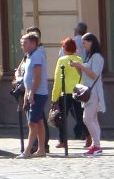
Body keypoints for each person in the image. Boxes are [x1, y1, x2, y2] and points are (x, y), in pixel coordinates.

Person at [18, 31, 49, 159]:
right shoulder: (29, 56)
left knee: (32, 122)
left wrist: (31, 93)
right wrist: (27, 93)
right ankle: (41, 149)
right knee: (39, 122)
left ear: (33, 43)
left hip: (38, 93)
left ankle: (27, 151)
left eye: (24, 43)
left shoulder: (36, 56)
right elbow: (28, 77)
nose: (22, 45)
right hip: (33, 92)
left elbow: (37, 76)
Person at [51, 38, 83, 150]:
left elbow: (58, 80)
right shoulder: (79, 59)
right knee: (80, 115)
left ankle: (63, 141)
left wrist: (54, 97)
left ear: (64, 48)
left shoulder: (62, 60)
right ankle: (88, 137)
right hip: (78, 91)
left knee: (61, 118)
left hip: (65, 93)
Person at [78, 32, 106, 155]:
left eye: (84, 43)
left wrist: (81, 66)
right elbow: (85, 75)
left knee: (87, 119)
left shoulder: (97, 57)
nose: (83, 46)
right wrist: (78, 67)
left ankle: (97, 145)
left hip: (94, 92)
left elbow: (94, 74)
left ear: (91, 42)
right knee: (93, 119)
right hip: (88, 90)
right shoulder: (89, 56)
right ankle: (96, 145)